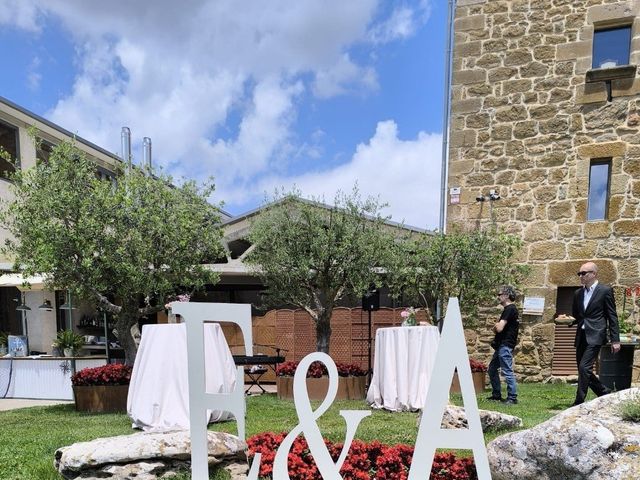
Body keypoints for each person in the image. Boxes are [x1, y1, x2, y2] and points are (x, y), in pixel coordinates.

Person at [569, 261, 620, 406]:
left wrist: (615, 340)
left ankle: (579, 401)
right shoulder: (578, 293)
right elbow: (577, 315)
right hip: (581, 335)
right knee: (582, 368)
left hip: (596, 334)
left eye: (584, 273)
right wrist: (568, 321)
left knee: (584, 367)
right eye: (579, 273)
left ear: (594, 274)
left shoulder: (605, 291)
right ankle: (604, 392)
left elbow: (612, 316)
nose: (581, 276)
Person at [487, 285, 519, 405]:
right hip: (501, 346)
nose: (498, 297)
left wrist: (495, 326)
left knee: (507, 371)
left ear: (506, 295)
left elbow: (499, 328)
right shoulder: (509, 309)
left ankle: (512, 397)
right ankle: (496, 395)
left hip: (505, 345)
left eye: (499, 295)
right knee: (492, 369)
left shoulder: (510, 309)